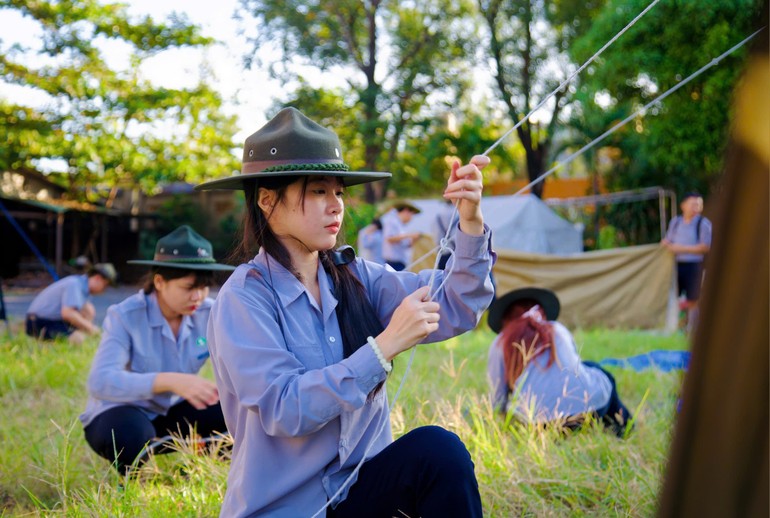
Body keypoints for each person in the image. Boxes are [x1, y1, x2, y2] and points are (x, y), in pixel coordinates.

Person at [195, 107, 495, 517]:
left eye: (338, 192)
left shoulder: (356, 277)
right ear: (267, 200)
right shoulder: (245, 298)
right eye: (318, 192)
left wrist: (471, 220)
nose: (335, 205)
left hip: (358, 494)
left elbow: (457, 304)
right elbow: (285, 409)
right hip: (290, 509)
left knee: (438, 452)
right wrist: (383, 348)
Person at [79, 225, 235, 475]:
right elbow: (100, 382)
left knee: (236, 411)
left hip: (170, 412)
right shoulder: (125, 316)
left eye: (204, 287)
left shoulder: (210, 313)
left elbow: (239, 357)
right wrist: (169, 381)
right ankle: (133, 479)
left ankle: (199, 470)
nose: (198, 296)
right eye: (188, 287)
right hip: (122, 410)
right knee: (131, 435)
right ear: (159, 281)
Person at [487, 287, 632, 437]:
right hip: (590, 410)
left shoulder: (500, 342)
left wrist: (505, 423)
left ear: (506, 319)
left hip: (538, 422)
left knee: (589, 367)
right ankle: (622, 427)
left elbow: (498, 398)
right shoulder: (556, 329)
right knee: (595, 370)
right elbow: (574, 366)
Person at [25, 262, 117, 343]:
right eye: (105, 286)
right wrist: (91, 329)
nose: (104, 290)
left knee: (88, 308)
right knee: (78, 339)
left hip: (52, 320)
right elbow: (68, 313)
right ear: (98, 278)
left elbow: (85, 311)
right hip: (39, 322)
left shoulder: (81, 286)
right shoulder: (75, 284)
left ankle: (80, 335)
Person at [661, 192, 712, 333]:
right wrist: (666, 244)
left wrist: (680, 248)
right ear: (683, 205)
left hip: (694, 265)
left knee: (693, 299)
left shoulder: (703, 223)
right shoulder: (676, 222)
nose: (695, 207)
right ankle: (677, 327)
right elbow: (668, 240)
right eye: (693, 204)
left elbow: (705, 247)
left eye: (698, 205)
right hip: (676, 265)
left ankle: (693, 329)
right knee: (675, 297)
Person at [380, 200, 422, 271]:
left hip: (401, 262)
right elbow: (390, 238)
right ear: (406, 211)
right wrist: (410, 235)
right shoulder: (392, 221)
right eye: (411, 214)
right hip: (393, 263)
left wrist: (413, 239)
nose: (411, 218)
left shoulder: (401, 225)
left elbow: (404, 244)